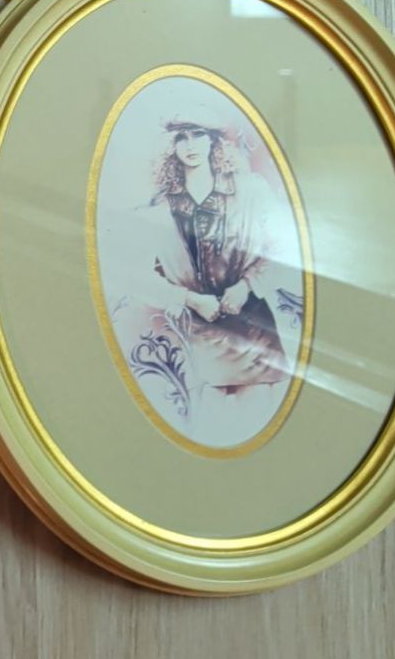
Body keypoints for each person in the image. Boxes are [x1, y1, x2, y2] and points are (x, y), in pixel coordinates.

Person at [109, 95, 294, 431]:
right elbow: (134, 274)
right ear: (172, 146)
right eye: (181, 137)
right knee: (215, 417)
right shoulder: (159, 208)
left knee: (261, 412)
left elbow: (282, 247)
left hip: (254, 326)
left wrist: (246, 285)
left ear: (213, 142)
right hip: (200, 330)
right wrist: (190, 299)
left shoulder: (250, 191)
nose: (190, 145)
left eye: (198, 135)